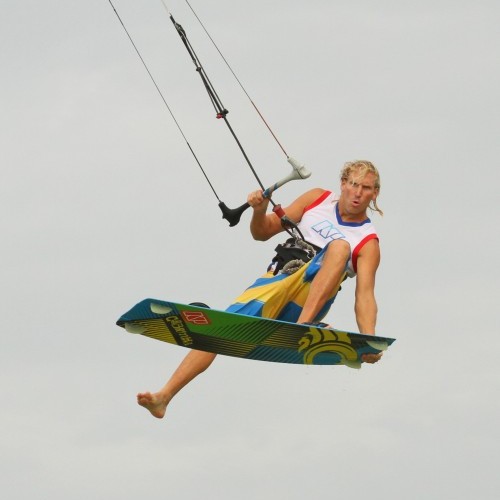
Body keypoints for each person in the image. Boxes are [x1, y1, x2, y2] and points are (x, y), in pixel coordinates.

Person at [137, 160, 383, 418]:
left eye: (365, 188)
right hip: (277, 280)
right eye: (353, 185)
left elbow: (365, 294)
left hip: (307, 302)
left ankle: (304, 327)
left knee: (340, 247)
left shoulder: (367, 242)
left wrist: (370, 339)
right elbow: (262, 233)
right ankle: (164, 397)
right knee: (221, 327)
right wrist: (259, 210)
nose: (357, 193)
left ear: (374, 193)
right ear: (343, 184)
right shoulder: (318, 199)